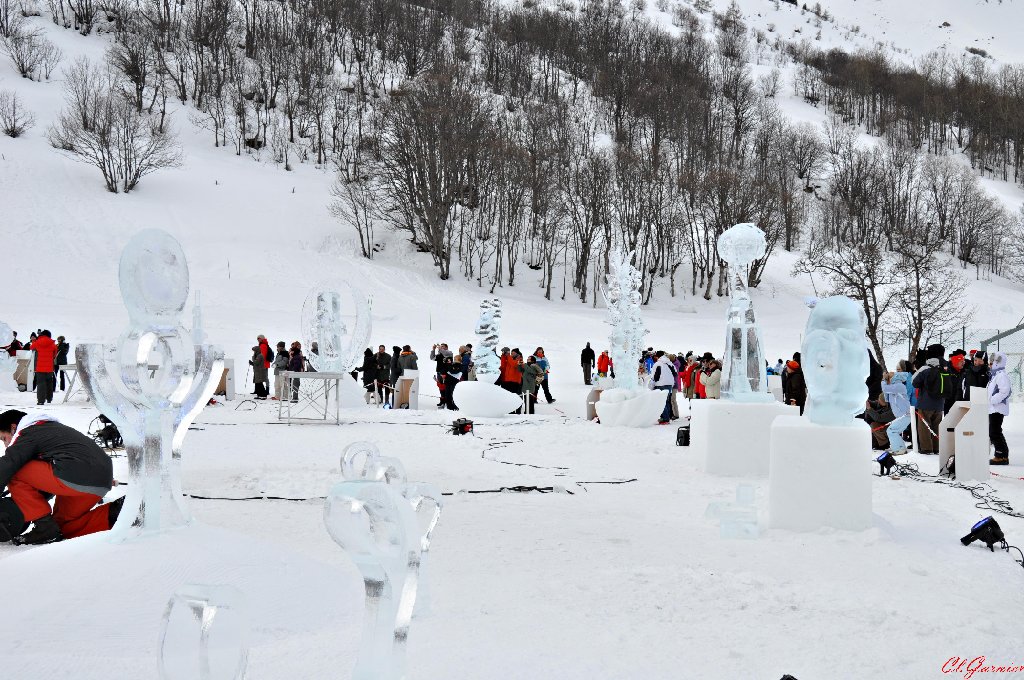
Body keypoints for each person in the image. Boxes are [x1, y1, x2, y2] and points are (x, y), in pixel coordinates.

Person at [0, 410, 118, 544]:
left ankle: (44, 526)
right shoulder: (51, 430)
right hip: (100, 481)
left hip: (75, 476)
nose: (6, 444)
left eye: (4, 438)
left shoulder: (29, 432)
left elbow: (8, 464)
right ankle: (117, 513)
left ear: (13, 427)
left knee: (14, 471)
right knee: (62, 526)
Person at [912, 357, 944, 455]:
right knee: (937, 426)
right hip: (939, 404)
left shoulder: (925, 371)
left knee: (924, 427)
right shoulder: (942, 371)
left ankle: (926, 448)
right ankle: (936, 448)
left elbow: (914, 383)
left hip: (925, 404)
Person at [988, 352, 1011, 465]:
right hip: (993, 408)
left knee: (994, 432)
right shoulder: (995, 375)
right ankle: (1002, 455)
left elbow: (1005, 391)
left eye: (992, 362)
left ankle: (1000, 456)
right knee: (995, 431)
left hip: (997, 408)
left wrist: (992, 400)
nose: (990, 364)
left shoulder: (1001, 375)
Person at [881, 372, 911, 455]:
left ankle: (899, 449)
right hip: (901, 416)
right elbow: (886, 398)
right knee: (894, 431)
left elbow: (885, 389)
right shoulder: (893, 387)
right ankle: (899, 447)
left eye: (890, 376)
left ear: (895, 377)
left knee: (892, 430)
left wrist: (883, 380)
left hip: (905, 415)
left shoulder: (899, 386)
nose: (888, 377)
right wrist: (886, 381)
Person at [650, 351, 677, 424]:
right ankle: (667, 417)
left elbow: (655, 377)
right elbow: (675, 373)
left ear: (657, 356)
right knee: (667, 401)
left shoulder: (657, 364)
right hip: (669, 384)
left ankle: (664, 418)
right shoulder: (670, 363)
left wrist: (651, 386)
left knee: (661, 401)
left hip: (660, 384)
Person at [32, 330, 57, 406]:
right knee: (49, 382)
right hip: (49, 367)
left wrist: (34, 341)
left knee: (40, 383)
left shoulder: (37, 342)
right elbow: (54, 355)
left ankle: (41, 401)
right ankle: (49, 398)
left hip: (40, 367)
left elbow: (31, 347)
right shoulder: (53, 344)